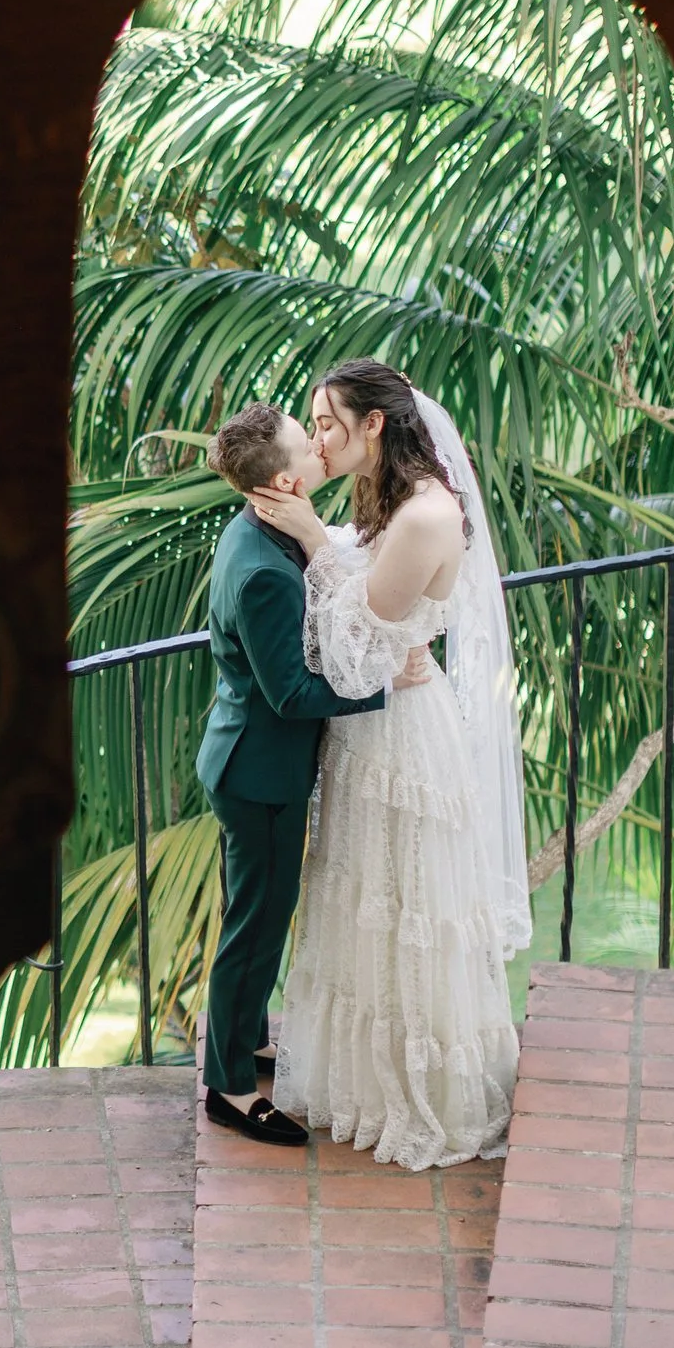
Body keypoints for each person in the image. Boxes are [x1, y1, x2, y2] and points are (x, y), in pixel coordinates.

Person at [245, 358, 526, 1169]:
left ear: (375, 423)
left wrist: (304, 538)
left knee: (407, 903)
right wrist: (320, 537)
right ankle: (362, 1080)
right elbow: (361, 576)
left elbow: (361, 644)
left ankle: (425, 1092)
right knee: (364, 896)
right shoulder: (391, 498)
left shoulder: (429, 514)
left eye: (328, 422)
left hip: (404, 733)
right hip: (371, 729)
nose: (319, 439)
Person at [194, 402, 423, 1146]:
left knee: (253, 916)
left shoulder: (260, 530)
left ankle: (246, 1039)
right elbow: (291, 692)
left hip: (247, 757)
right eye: (310, 442)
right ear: (288, 480)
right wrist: (387, 677)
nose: (325, 447)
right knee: (255, 927)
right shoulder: (263, 570)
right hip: (260, 774)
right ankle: (228, 1085)